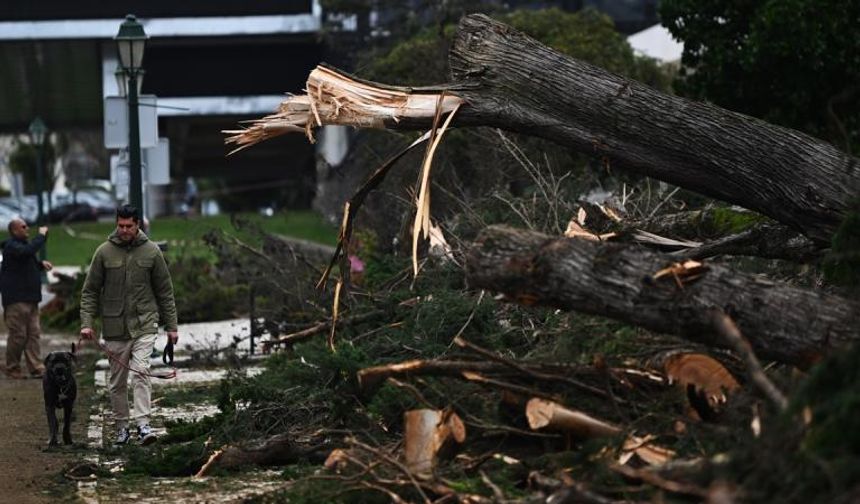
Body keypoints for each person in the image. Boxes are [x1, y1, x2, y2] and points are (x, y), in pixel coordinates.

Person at [79, 205, 178, 445]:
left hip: (145, 323)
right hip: (114, 327)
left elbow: (165, 291)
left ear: (138, 225)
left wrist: (171, 326)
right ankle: (122, 427)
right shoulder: (103, 252)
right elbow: (90, 291)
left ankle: (144, 425)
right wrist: (87, 323)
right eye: (120, 225)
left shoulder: (152, 252)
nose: (124, 230)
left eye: (129, 226)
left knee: (141, 371)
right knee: (117, 381)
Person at [0, 219, 52, 379]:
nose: (27, 228)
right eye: (23, 226)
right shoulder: (11, 246)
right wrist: (41, 236)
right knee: (18, 335)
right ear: (14, 231)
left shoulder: (21, 247)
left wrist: (40, 265)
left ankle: (36, 368)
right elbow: (25, 252)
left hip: (31, 299)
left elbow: (25, 261)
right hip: (16, 300)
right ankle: (12, 368)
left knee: (33, 334)